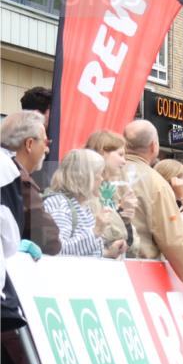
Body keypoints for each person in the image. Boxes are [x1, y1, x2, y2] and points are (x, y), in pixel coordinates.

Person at [122, 120, 183, 301]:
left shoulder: (103, 172)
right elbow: (172, 239)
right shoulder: (157, 184)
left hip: (101, 265)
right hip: (143, 273)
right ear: (154, 146)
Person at [42, 149, 127, 259]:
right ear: (86, 176)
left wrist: (108, 253)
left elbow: (84, 253)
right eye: (100, 174)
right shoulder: (59, 204)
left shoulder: (82, 206)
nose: (102, 179)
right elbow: (58, 250)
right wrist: (96, 231)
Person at [0, 111, 61, 255]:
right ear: (29, 144)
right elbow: (49, 241)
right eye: (45, 142)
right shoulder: (15, 178)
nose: (47, 149)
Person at [84, 130, 139, 255]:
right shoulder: (83, 192)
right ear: (103, 152)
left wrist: (125, 219)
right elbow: (81, 243)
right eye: (120, 154)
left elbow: (132, 246)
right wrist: (108, 252)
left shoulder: (111, 192)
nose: (124, 161)